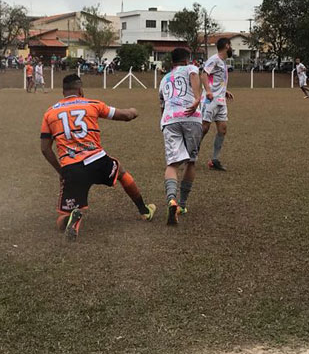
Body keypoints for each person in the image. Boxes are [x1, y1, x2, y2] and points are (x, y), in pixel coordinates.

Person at [39, 74, 155, 241]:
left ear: (63, 91)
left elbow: (45, 149)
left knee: (61, 219)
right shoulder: (92, 104)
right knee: (121, 172)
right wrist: (134, 111)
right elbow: (125, 116)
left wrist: (61, 170)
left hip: (72, 168)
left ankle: (72, 217)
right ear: (80, 90)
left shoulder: (50, 113)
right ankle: (144, 210)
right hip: (97, 161)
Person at [159, 47, 203, 225]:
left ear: (171, 63)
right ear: (187, 61)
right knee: (191, 161)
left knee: (172, 164)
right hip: (191, 117)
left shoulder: (163, 79)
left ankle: (171, 200)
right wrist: (197, 98)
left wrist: (164, 120)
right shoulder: (190, 68)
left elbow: (162, 105)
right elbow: (194, 75)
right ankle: (182, 204)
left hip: (169, 120)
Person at [200, 37, 234, 171]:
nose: (231, 48)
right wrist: (208, 91)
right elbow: (203, 74)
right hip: (210, 99)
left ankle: (214, 160)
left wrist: (224, 91)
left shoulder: (223, 62)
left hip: (220, 100)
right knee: (204, 128)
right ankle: (190, 154)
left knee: (223, 129)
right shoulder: (214, 59)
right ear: (226, 46)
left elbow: (216, 79)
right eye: (230, 45)